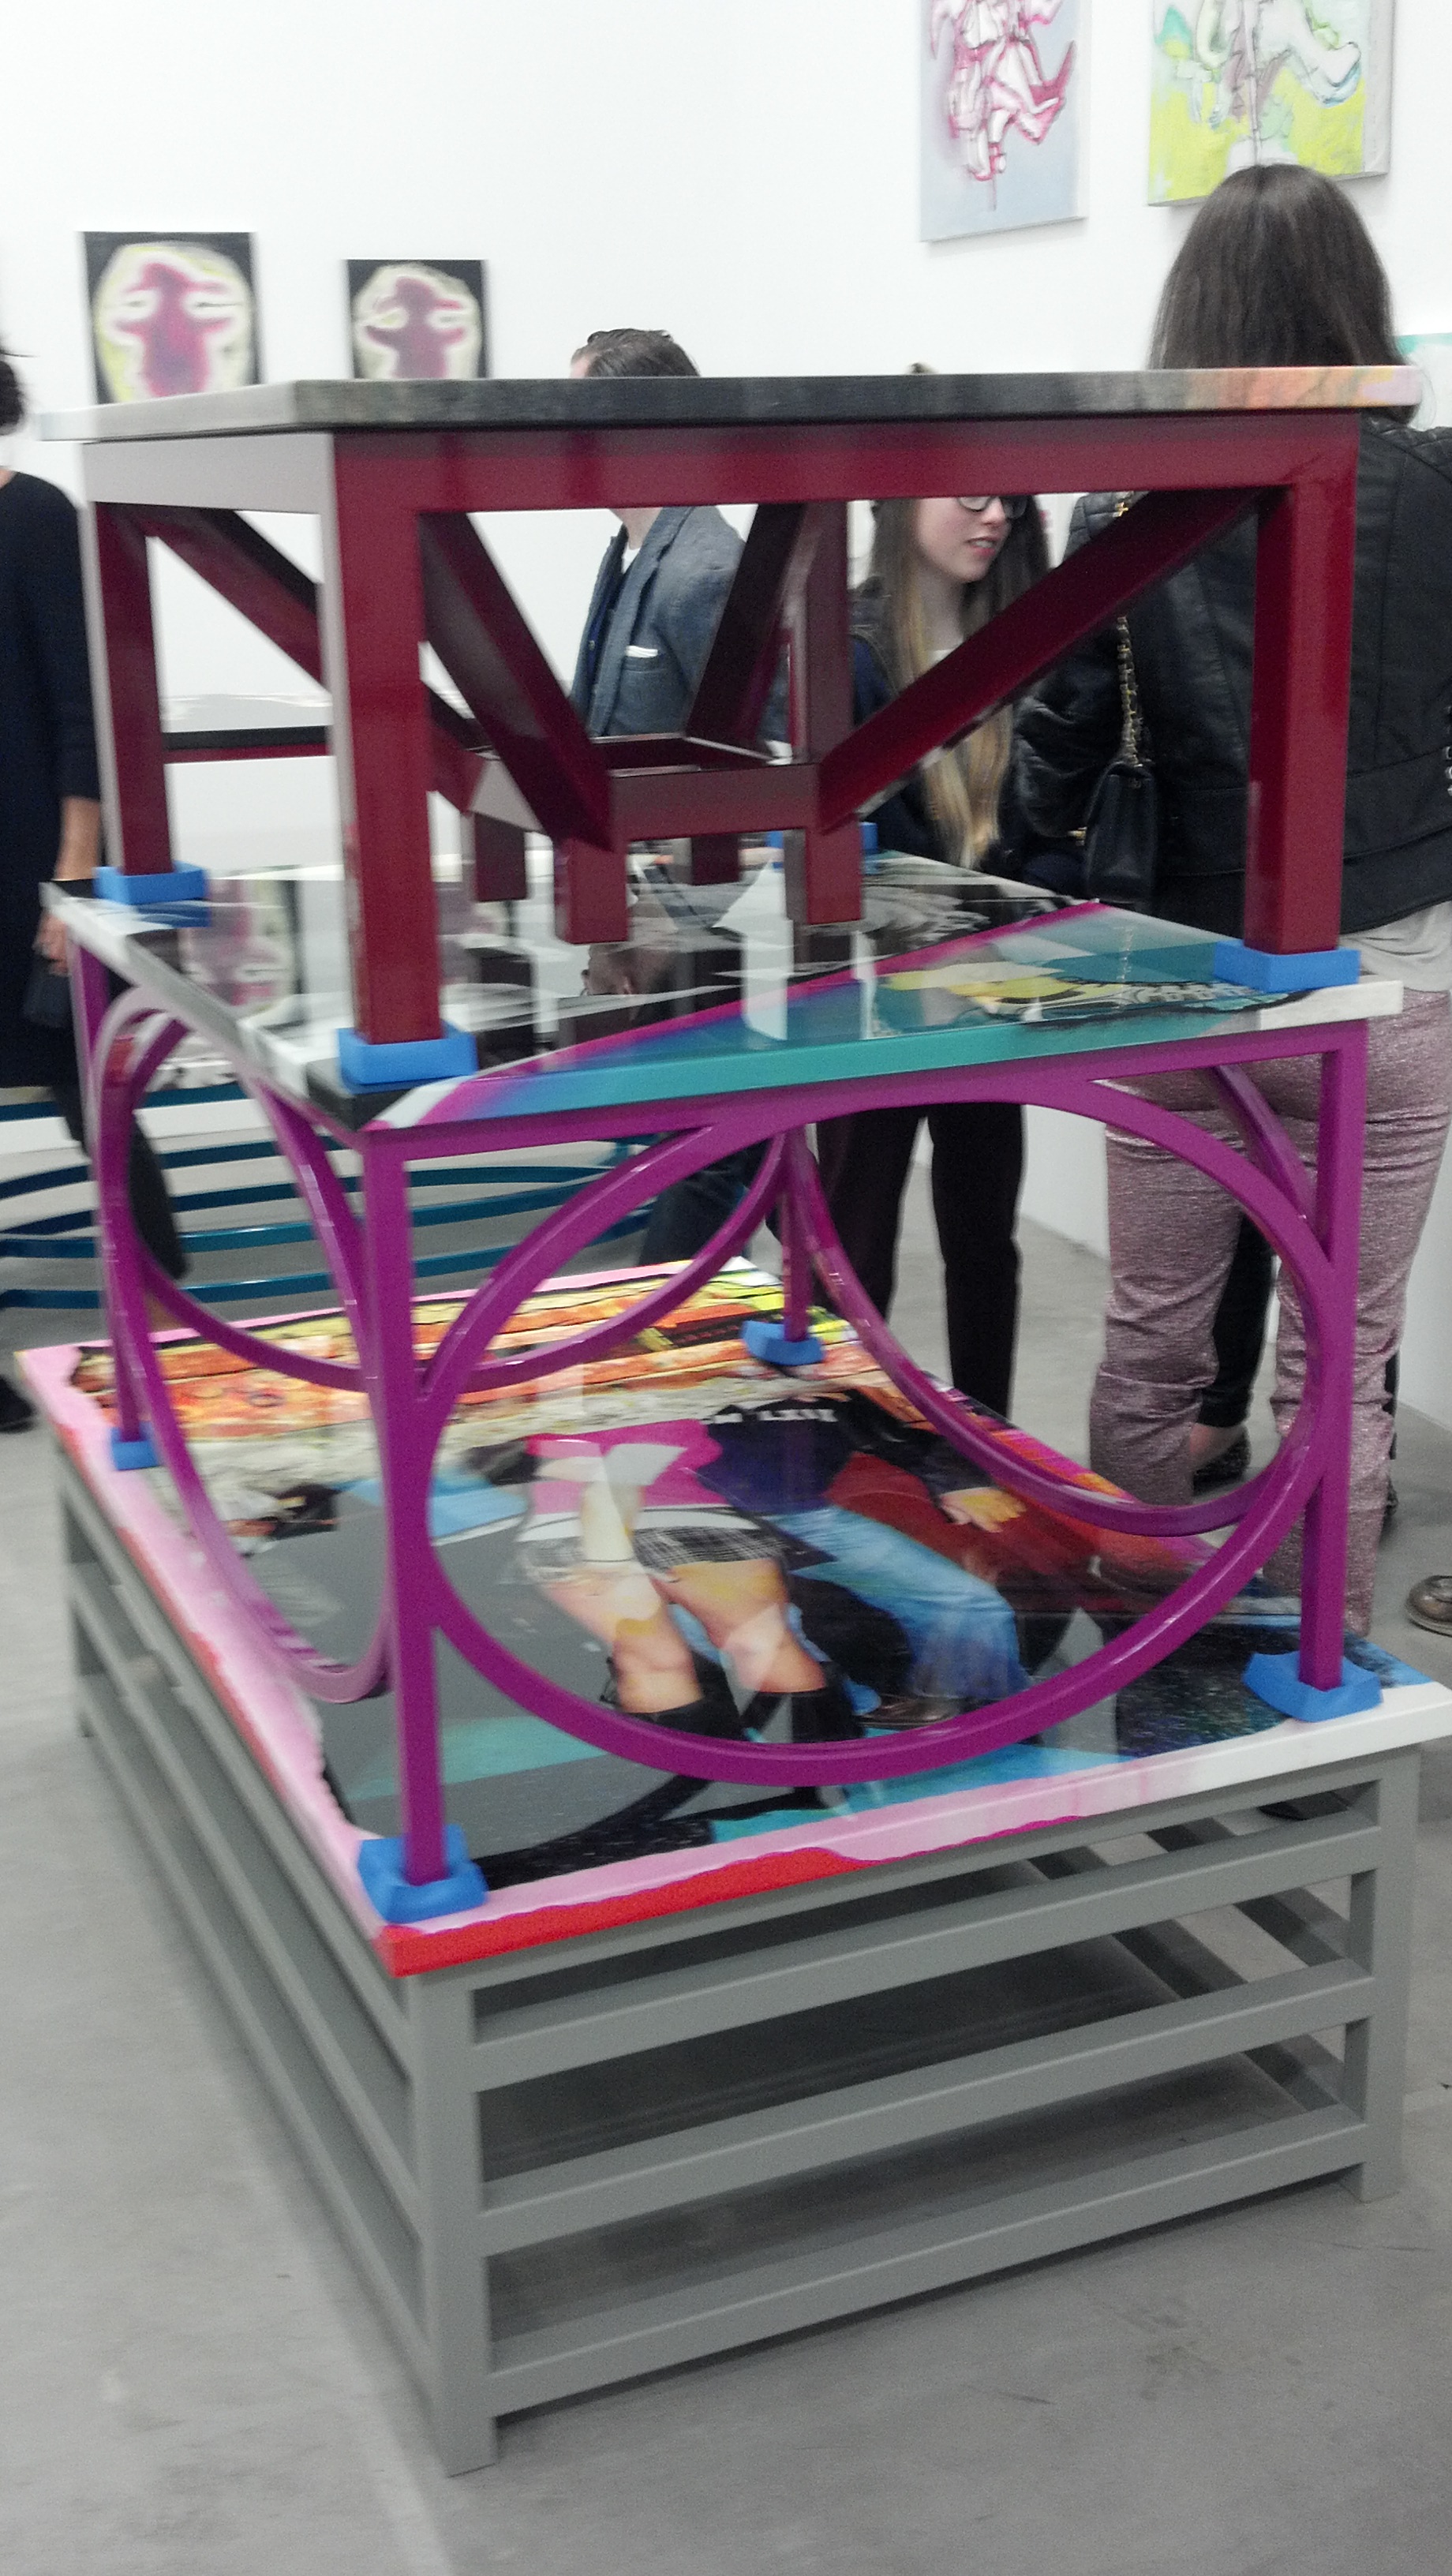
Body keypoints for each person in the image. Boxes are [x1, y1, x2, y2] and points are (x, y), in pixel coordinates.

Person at [1015, 165, 1452, 1633]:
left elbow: (1060, 743)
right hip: (1395, 976)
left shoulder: (1127, 507)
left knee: (1152, 1338)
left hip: (1180, 973)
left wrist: (1023, 871)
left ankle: (1149, 1641)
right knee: (1344, 1357)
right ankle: (1317, 1654)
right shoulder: (1442, 490)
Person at [814, 485, 1050, 1418]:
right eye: (970, 495)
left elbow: (1049, 824)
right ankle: (842, 1448)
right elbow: (846, 840)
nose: (994, 518)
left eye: (1010, 501)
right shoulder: (849, 649)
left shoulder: (1026, 642)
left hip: (991, 993)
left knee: (984, 1241)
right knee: (856, 1245)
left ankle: (989, 1445)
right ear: (901, 501)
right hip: (871, 999)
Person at [0, 341, 186, 1431]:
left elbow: (89, 716)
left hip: (33, 881)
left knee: (97, 1106)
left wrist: (70, 888)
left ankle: (166, 1321)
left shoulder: (36, 518)